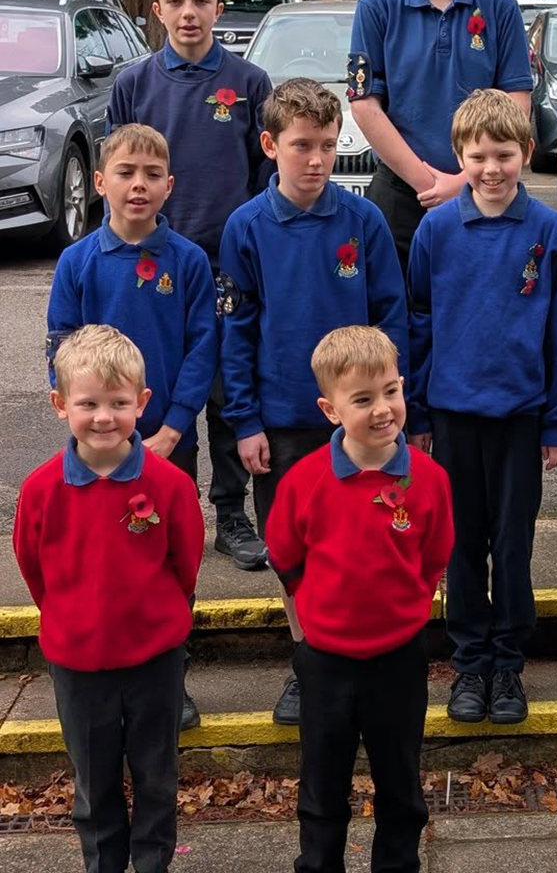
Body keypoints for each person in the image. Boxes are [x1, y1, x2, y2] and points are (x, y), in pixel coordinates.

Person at [218, 77, 408, 726]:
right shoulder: (246, 228)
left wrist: (392, 407)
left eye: (328, 145)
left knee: (361, 544)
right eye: (303, 145)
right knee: (292, 553)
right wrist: (245, 421)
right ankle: (309, 666)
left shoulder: (364, 221)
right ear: (271, 145)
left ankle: (365, 661)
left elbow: (391, 316)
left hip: (359, 426)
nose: (318, 159)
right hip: (283, 421)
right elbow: (236, 332)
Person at [407, 90, 557, 726]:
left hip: (520, 416)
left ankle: (508, 661)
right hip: (452, 416)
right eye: (478, 156)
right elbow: (419, 323)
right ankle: (469, 661)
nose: (491, 168)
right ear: (459, 155)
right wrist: (418, 415)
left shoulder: (549, 233)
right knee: (460, 544)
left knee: (513, 544)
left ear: (527, 153)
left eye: (504, 155)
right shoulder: (436, 230)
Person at [14, 326, 204, 873]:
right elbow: (33, 568)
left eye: (119, 403)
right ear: (60, 405)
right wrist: (72, 618)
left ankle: (152, 863)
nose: (104, 417)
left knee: (156, 777)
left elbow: (185, 562)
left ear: (141, 403)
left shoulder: (169, 485)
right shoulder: (41, 490)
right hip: (79, 665)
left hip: (154, 661)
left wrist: (159, 618)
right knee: (94, 786)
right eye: (88, 404)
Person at [108, 0, 275, 574]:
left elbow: (262, 177)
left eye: (200, 0)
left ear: (218, 6)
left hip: (225, 264)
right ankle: (166, 509)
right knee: (159, 390)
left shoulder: (249, 82)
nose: (188, 13)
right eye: (175, 1)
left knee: (228, 391)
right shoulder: (133, 84)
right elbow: (118, 170)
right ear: (157, 10)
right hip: (157, 264)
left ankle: (231, 514)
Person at [46, 123, 217, 730]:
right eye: (125, 173)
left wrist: (172, 428)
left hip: (168, 443)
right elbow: (60, 347)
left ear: (170, 186)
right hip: (97, 444)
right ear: (100, 182)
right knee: (106, 558)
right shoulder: (78, 262)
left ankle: (171, 674)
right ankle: (105, 667)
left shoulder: (188, 261)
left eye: (151, 175)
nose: (138, 185)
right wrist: (87, 421)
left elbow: (202, 347)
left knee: (165, 557)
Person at [266, 326, 453, 873]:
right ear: (331, 409)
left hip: (398, 659)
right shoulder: (304, 481)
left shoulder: (429, 479)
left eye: (390, 391)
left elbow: (434, 555)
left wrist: (408, 610)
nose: (382, 409)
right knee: (322, 789)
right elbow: (285, 557)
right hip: (325, 662)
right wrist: (305, 630)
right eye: (363, 399)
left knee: (401, 786)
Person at [347, 0, 532, 271]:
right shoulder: (377, 4)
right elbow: (363, 104)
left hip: (486, 190)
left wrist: (465, 181)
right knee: (395, 304)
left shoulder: (500, 6)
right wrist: (430, 186)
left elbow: (517, 102)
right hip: (400, 194)